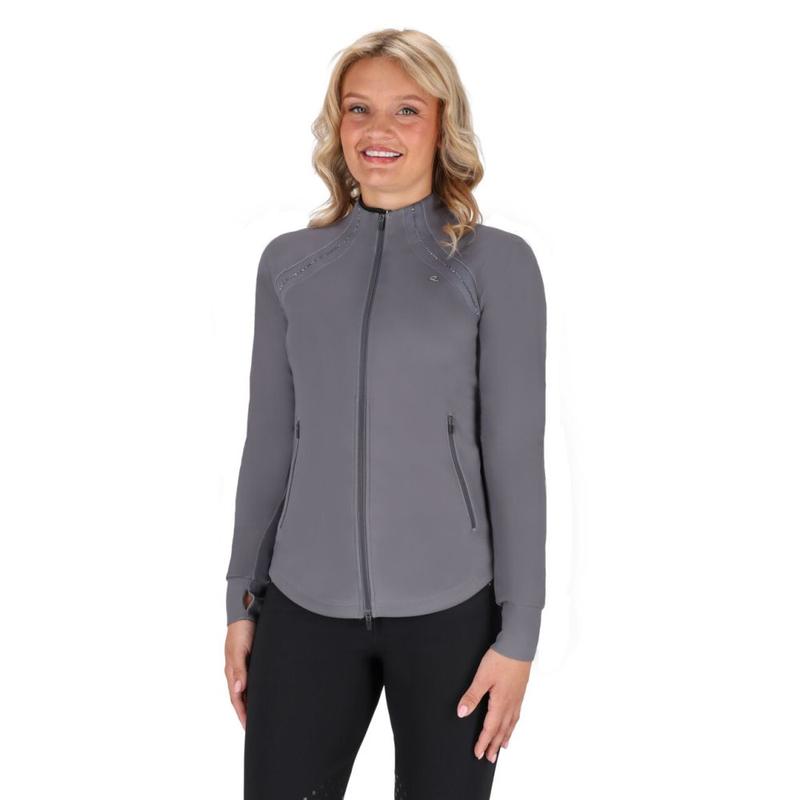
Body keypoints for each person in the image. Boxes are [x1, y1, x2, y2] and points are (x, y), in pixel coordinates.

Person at [223, 28, 547, 800]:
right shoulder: (289, 265)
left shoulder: (495, 264)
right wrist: (241, 598)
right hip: (302, 607)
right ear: (337, 124)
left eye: (407, 110)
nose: (379, 130)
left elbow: (513, 458)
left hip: (452, 613)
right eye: (358, 108)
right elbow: (268, 442)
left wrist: (520, 635)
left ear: (442, 124)